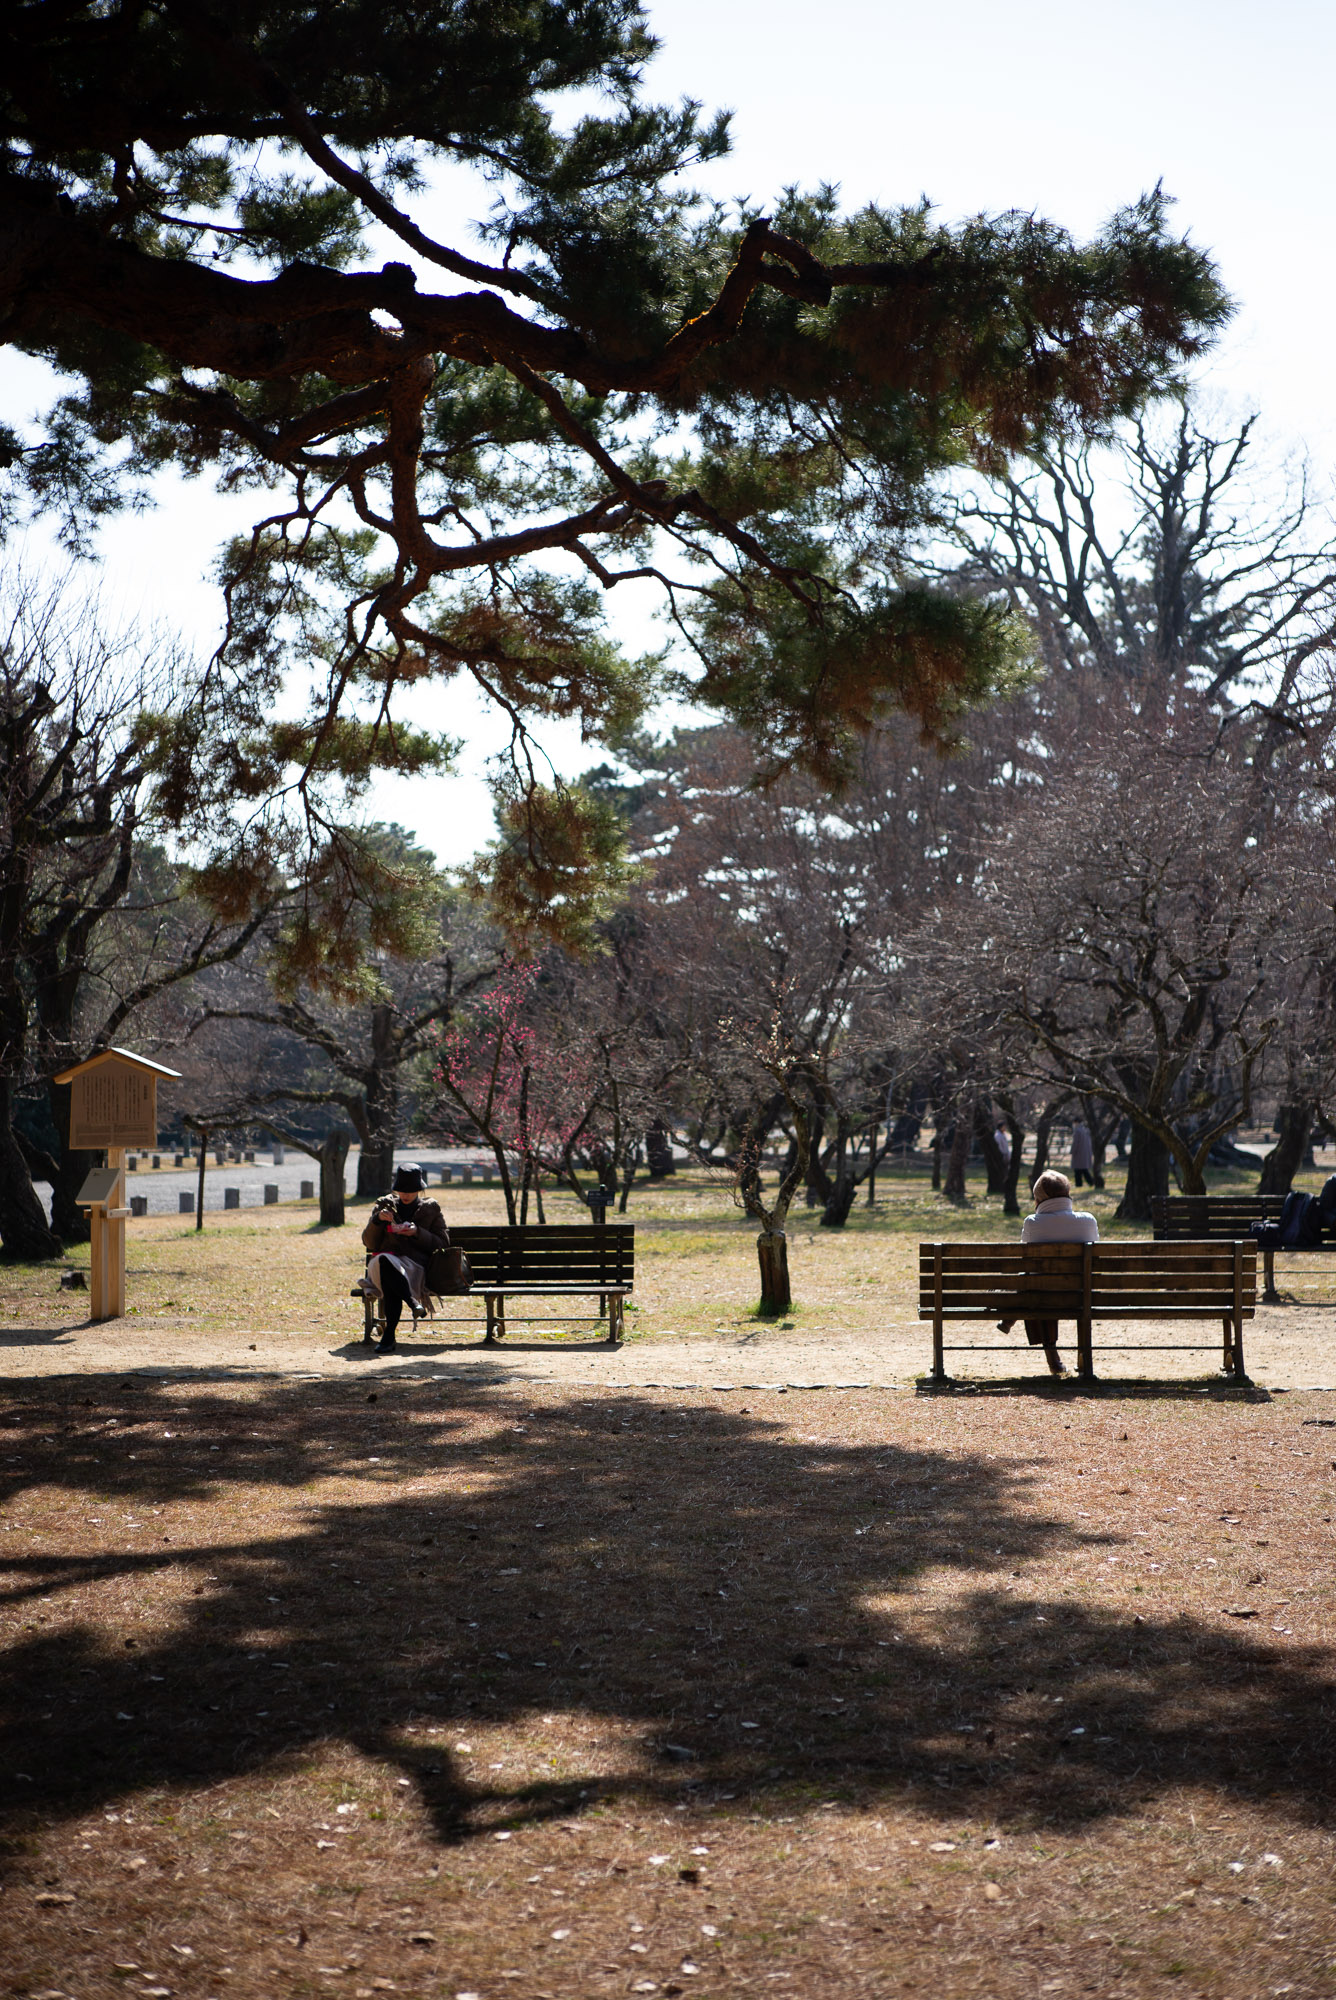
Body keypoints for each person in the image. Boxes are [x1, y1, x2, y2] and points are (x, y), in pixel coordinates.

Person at [1016, 1168, 1099, 1375]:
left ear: (1039, 1199)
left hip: (1043, 1296)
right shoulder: (1088, 1220)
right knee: (1039, 1285)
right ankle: (1077, 1361)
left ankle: (1053, 1359)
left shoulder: (1032, 1223)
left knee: (1035, 1286)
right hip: (1082, 1295)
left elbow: (1026, 1263)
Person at [359, 1164, 449, 1352]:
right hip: (382, 1263)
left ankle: (388, 1337)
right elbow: (369, 1243)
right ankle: (412, 1303)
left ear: (419, 1190)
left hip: (414, 1268)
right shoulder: (384, 1206)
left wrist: (417, 1233)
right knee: (385, 1261)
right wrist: (377, 1221)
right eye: (402, 1190)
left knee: (391, 1280)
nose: (406, 1195)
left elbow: (442, 1242)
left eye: (411, 1191)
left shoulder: (430, 1209)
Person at [1070, 1119, 1095, 1187]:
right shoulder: (1086, 1130)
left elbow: (1075, 1143)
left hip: (1079, 1153)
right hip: (1085, 1153)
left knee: (1078, 1170)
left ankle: (1079, 1184)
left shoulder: (1077, 1131)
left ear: (1076, 1123)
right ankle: (1091, 1182)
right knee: (1084, 1169)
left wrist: (1072, 1151)